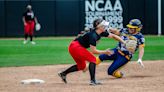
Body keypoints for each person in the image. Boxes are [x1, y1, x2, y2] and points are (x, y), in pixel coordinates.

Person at [58, 18, 125, 85]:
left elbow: (113, 36)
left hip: (73, 47)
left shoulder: (100, 32)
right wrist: (105, 52)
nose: (105, 27)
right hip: (76, 47)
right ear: (98, 26)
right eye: (103, 26)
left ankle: (63, 73)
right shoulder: (93, 36)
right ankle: (93, 81)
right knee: (93, 59)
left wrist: (124, 42)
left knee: (82, 66)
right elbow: (93, 51)